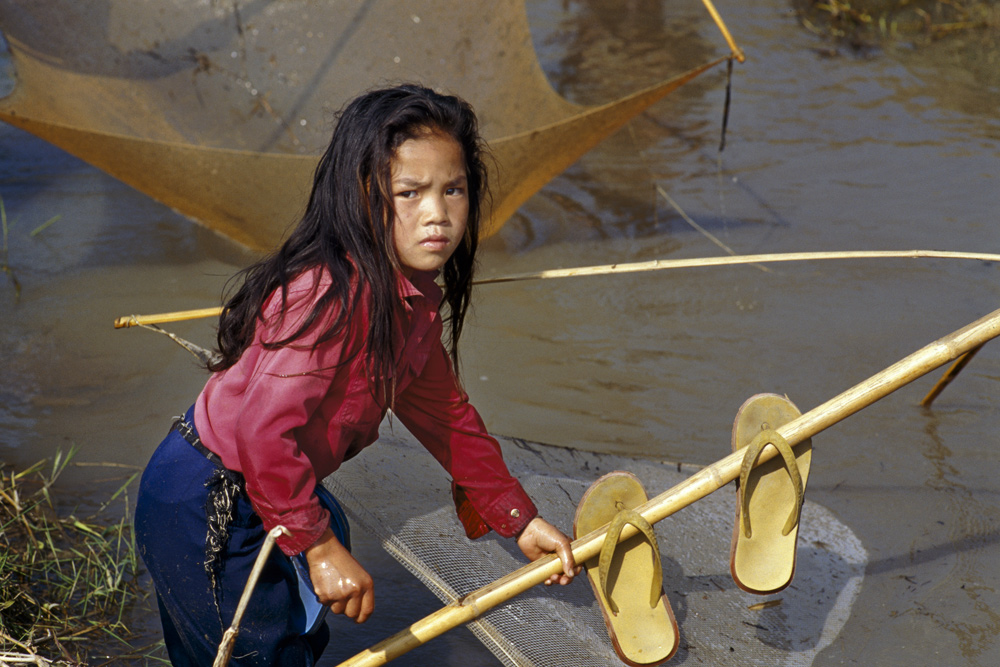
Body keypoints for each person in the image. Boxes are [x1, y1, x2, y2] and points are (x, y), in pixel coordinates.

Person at [134, 83, 579, 666]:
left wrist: (519, 521)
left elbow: (449, 420)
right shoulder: (327, 298)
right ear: (363, 197)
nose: (438, 215)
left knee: (291, 644)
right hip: (207, 502)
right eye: (409, 193)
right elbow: (263, 436)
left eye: (454, 190)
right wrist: (318, 548)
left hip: (267, 492)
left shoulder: (409, 304)